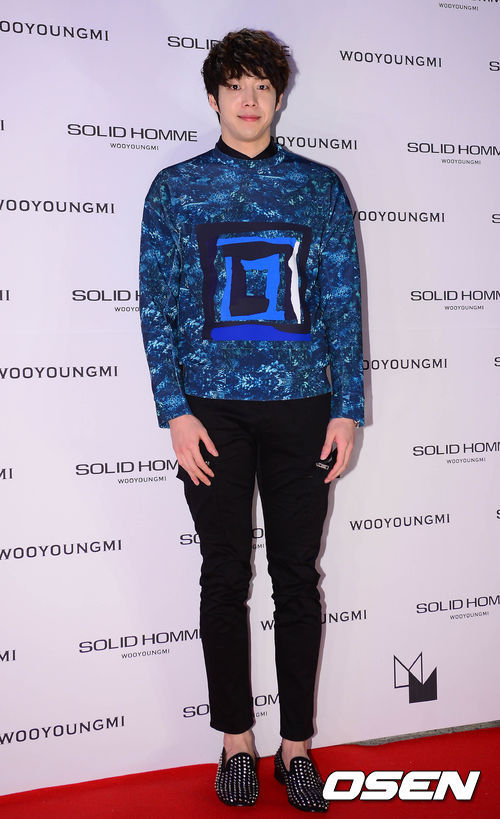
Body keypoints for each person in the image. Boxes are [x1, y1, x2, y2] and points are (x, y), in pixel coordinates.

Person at [139, 28, 364, 813]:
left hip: (304, 409)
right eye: (234, 85)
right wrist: (174, 410)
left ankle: (295, 745)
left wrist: (347, 407)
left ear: (278, 96)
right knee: (223, 575)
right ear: (213, 98)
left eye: (261, 86)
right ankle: (236, 739)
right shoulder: (176, 188)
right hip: (212, 415)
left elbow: (342, 301)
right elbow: (156, 306)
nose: (248, 99)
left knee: (298, 576)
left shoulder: (318, 187)